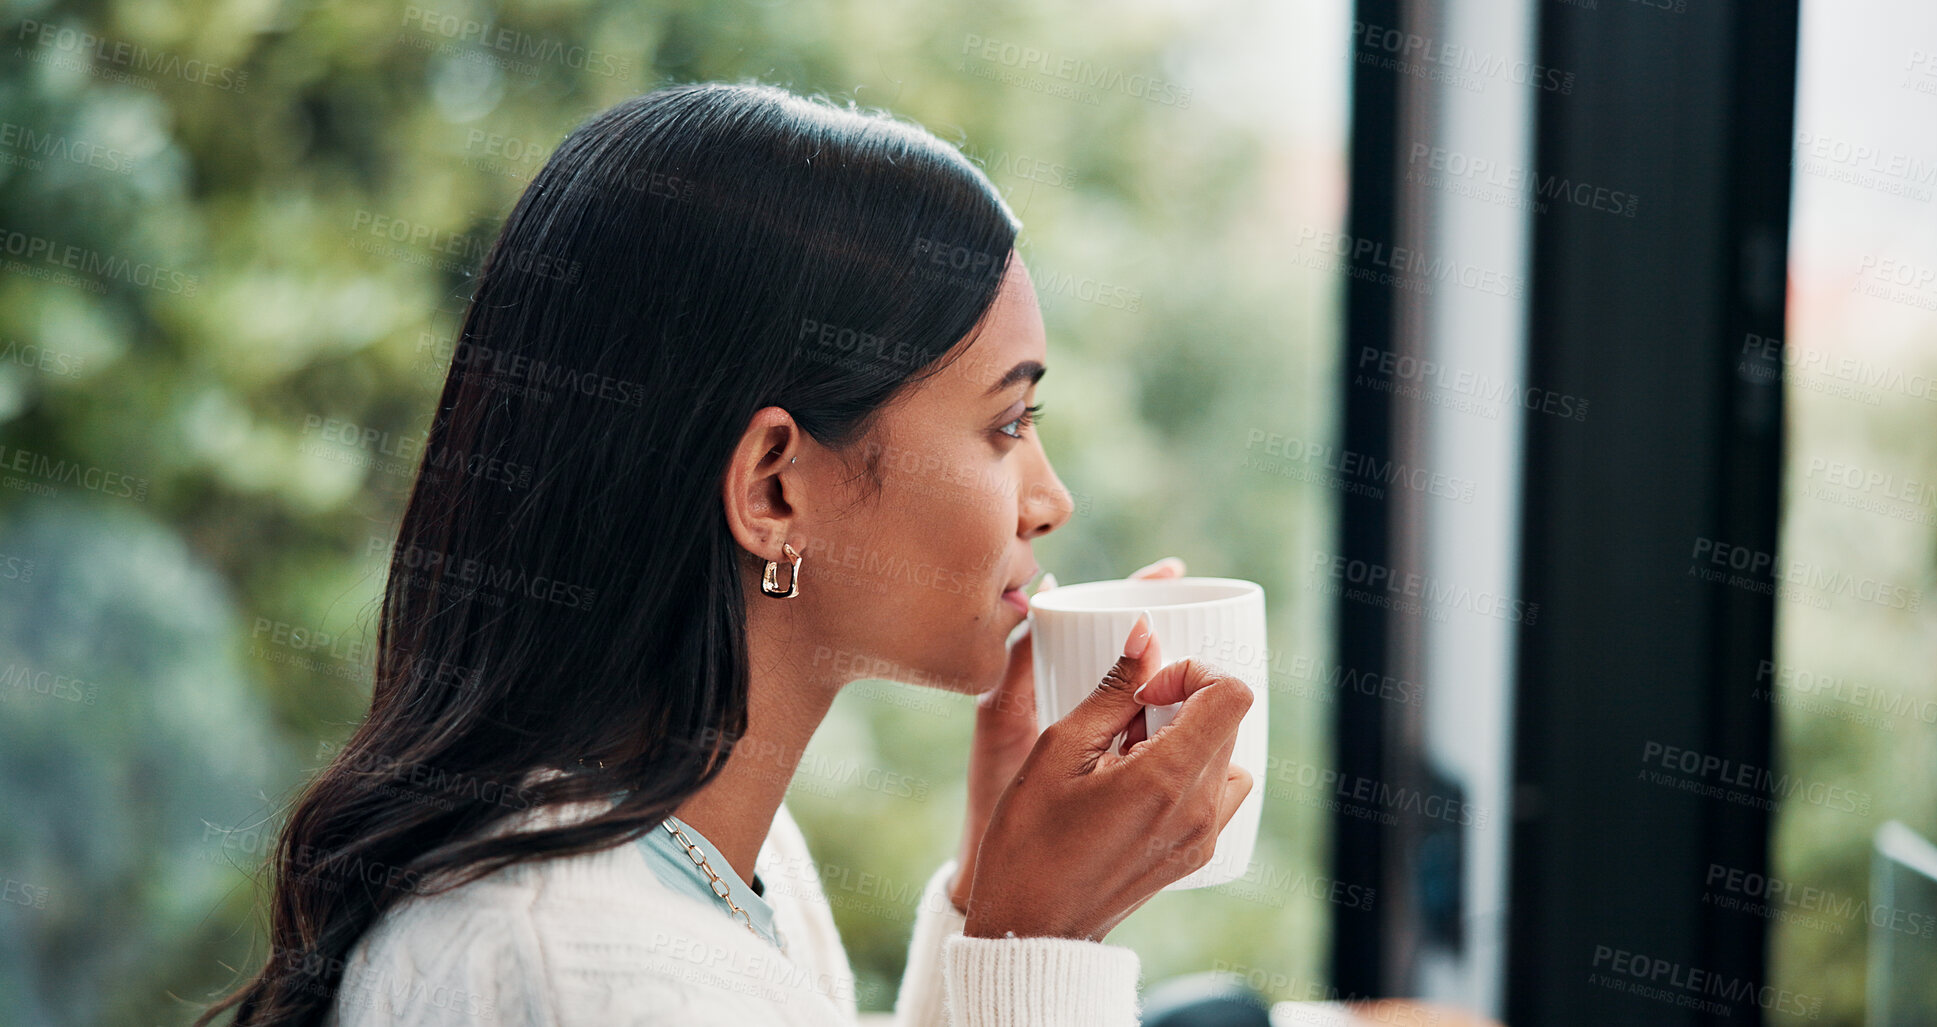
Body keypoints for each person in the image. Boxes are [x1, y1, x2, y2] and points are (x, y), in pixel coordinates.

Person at [196, 81, 1255, 1026]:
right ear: (774, 486)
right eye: (1006, 425)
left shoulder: (696, 845)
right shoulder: (583, 971)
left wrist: (993, 896)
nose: (1051, 500)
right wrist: (1042, 946)